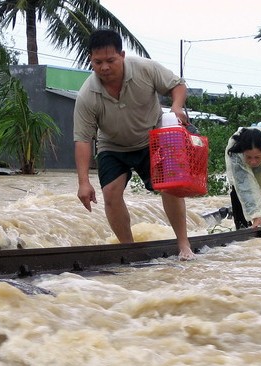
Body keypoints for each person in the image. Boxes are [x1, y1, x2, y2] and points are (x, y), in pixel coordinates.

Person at [73, 29, 194, 260]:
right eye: (98, 62)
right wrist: (83, 182)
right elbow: (82, 139)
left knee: (170, 186)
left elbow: (177, 85)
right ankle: (129, 250)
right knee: (110, 193)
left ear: (122, 55)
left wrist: (177, 106)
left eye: (110, 60)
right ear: (91, 60)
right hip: (112, 146)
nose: (104, 67)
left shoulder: (145, 69)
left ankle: (184, 244)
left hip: (152, 139)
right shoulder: (87, 95)